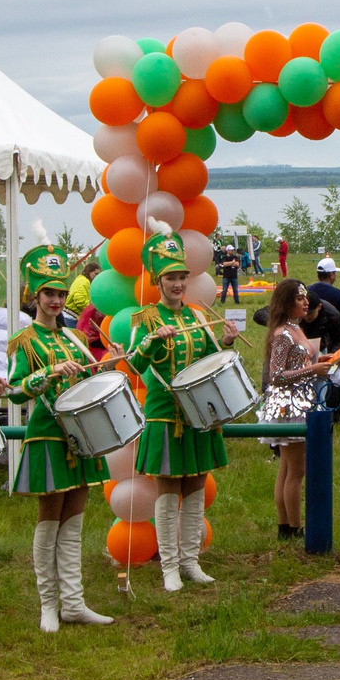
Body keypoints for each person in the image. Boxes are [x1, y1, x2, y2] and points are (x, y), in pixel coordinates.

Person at [5, 244, 114, 633]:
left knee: (74, 521)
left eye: (61, 295)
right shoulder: (24, 340)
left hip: (80, 436)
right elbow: (15, 391)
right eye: (49, 294)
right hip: (47, 435)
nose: (56, 301)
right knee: (48, 520)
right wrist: (48, 374)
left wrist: (108, 363)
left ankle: (74, 602)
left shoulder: (75, 338)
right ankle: (48, 605)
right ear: (35, 297)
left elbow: (88, 382)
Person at [126, 230, 229, 591]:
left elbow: (209, 364)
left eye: (183, 277)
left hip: (198, 413)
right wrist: (153, 340)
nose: (178, 283)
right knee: (169, 491)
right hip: (165, 413)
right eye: (171, 277)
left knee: (196, 486)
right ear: (158, 280)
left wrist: (226, 341)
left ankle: (190, 561)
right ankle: (168, 566)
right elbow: (135, 365)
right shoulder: (145, 319)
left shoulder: (198, 317)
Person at [253, 278, 326, 538]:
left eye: (305, 297)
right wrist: (313, 369)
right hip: (288, 405)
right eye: (299, 298)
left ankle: (286, 527)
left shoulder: (296, 328)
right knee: (296, 470)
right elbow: (276, 375)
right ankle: (294, 528)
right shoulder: (282, 334)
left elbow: (302, 359)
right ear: (286, 303)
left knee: (287, 467)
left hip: (300, 400)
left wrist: (323, 361)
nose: (306, 302)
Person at [305, 257, 340, 418]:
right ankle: (333, 410)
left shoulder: (306, 291)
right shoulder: (338, 295)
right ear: (331, 275)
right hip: (325, 345)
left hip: (314, 344)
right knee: (333, 377)